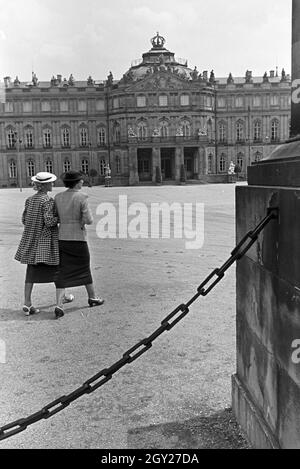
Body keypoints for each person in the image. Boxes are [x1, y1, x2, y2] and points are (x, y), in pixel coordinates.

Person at [15, 172, 74, 316]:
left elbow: (24, 220)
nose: (52, 184)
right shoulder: (48, 201)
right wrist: (59, 218)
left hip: (30, 239)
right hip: (45, 241)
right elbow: (48, 221)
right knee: (58, 268)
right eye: (51, 182)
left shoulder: (30, 200)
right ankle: (62, 297)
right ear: (45, 185)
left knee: (31, 271)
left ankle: (27, 303)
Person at [54, 170, 104, 319]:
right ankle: (92, 297)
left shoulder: (58, 197)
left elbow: (56, 217)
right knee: (84, 268)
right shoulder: (82, 197)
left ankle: (59, 305)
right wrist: (80, 222)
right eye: (81, 180)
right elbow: (88, 220)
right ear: (77, 183)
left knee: (62, 271)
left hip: (62, 237)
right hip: (78, 238)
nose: (83, 182)